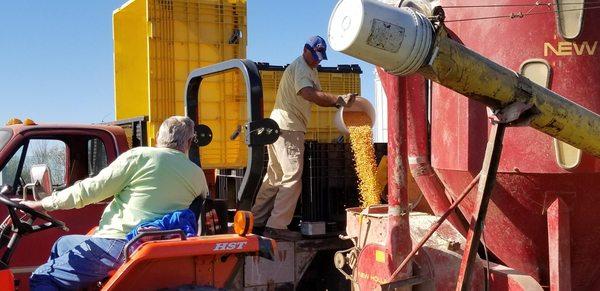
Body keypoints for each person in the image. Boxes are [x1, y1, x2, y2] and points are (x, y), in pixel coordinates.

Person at [21, 115, 209, 290]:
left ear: (158, 137)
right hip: (153, 243)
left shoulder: (141, 157)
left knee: (42, 277)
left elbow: (91, 190)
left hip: (119, 242)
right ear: (190, 141)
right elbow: (201, 207)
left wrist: (44, 204)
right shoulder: (197, 174)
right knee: (62, 244)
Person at [251, 35, 357, 240]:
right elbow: (308, 93)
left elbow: (314, 94)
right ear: (305, 49)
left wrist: (336, 101)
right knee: (291, 176)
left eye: (320, 57)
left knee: (275, 177)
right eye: (315, 55)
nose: (317, 60)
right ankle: (277, 226)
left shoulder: (309, 69)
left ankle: (256, 221)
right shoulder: (300, 68)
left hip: (279, 126)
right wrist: (338, 100)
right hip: (289, 128)